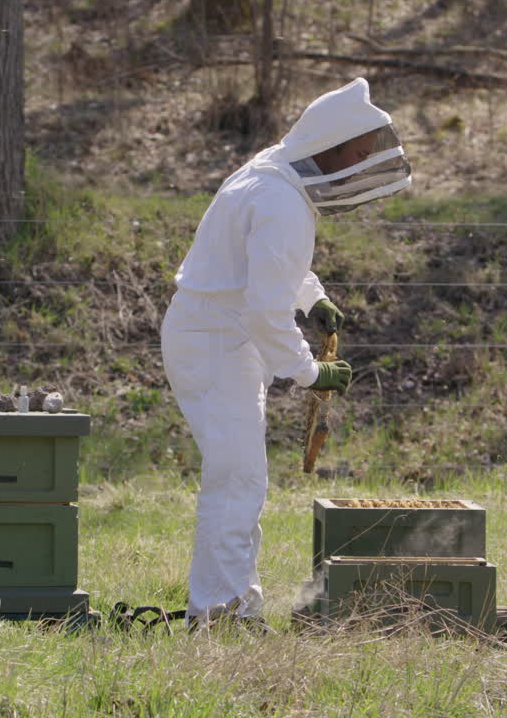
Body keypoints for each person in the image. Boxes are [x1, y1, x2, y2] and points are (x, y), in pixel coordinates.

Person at [160, 77, 413, 626]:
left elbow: (267, 265)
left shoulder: (271, 173)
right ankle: (221, 615)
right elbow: (264, 311)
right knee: (237, 481)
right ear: (331, 146)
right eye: (358, 152)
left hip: (215, 336)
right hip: (216, 342)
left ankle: (232, 607)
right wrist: (309, 372)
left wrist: (312, 297)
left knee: (242, 479)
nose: (362, 163)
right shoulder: (281, 201)